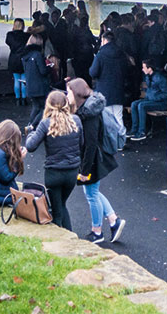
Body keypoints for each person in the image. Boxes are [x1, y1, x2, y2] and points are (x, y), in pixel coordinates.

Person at [68, 79, 126, 244]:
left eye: (69, 91)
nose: (67, 95)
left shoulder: (88, 114)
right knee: (92, 192)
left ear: (77, 93)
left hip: (94, 159)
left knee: (92, 195)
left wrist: (84, 171)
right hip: (96, 157)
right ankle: (114, 220)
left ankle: (97, 231)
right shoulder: (90, 107)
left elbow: (91, 144)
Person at [25, 90, 83, 232]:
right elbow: (81, 144)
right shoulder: (76, 120)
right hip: (71, 173)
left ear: (48, 105)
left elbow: (30, 146)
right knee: (61, 205)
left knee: (57, 211)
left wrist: (31, 133)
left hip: (53, 173)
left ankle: (63, 241)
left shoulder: (45, 124)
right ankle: (71, 237)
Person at [89, 31, 127, 132]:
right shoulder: (121, 53)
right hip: (118, 88)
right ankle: (121, 142)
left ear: (105, 40)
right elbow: (126, 70)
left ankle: (111, 143)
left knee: (107, 118)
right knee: (118, 116)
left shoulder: (101, 55)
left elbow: (93, 72)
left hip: (104, 90)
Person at [128, 59, 167, 141]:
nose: (142, 69)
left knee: (142, 105)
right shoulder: (148, 77)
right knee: (134, 104)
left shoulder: (160, 78)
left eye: (144, 67)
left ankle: (142, 132)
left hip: (162, 103)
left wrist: (154, 98)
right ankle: (134, 130)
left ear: (150, 68)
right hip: (151, 100)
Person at [21, 34, 51, 129]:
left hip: (30, 85)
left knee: (36, 107)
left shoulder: (25, 56)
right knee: (45, 108)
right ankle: (33, 125)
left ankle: (30, 124)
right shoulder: (37, 55)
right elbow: (43, 71)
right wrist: (49, 67)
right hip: (40, 86)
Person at [5, 18, 29, 106]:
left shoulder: (10, 35)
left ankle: (17, 98)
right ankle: (24, 98)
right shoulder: (26, 36)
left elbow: (8, 43)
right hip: (24, 59)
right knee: (23, 80)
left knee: (16, 80)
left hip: (14, 59)